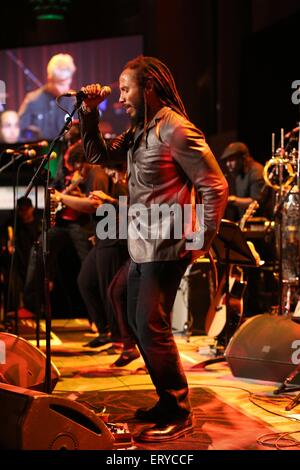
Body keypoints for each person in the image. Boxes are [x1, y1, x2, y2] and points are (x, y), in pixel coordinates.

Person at [79, 55, 228, 442]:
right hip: (142, 244)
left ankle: (179, 409)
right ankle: (166, 400)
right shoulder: (139, 129)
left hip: (169, 243)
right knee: (136, 318)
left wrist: (202, 237)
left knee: (149, 323)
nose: (121, 97)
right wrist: (89, 114)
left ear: (148, 88)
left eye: (125, 89)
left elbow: (215, 185)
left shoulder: (175, 129)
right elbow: (98, 155)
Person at [18, 53, 76, 141]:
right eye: (60, 83)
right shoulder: (32, 100)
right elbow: (19, 132)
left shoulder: (74, 101)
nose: (66, 87)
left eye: (68, 81)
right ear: (50, 79)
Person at [220, 141, 268, 222]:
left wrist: (232, 200)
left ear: (243, 158)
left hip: (259, 225)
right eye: (227, 161)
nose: (228, 164)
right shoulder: (238, 174)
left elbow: (256, 202)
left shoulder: (257, 171)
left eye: (231, 160)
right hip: (246, 222)